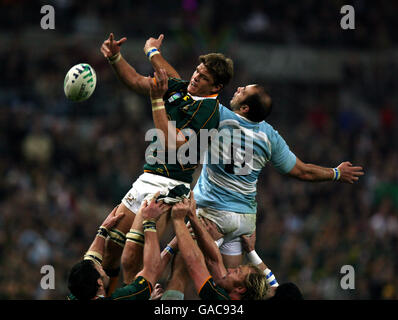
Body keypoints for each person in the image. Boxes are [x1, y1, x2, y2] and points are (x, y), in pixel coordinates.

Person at [143, 38, 365, 268]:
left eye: (242, 91)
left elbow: (183, 84)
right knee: (229, 283)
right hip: (244, 222)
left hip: (213, 211)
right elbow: (303, 171)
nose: (238, 88)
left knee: (180, 272)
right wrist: (336, 173)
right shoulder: (270, 136)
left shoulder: (217, 116)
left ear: (245, 107)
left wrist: (152, 52)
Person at [99, 33, 234, 288]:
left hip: (170, 186)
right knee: (111, 248)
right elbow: (137, 81)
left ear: (216, 88)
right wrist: (116, 57)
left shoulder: (208, 113)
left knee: (131, 259)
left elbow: (173, 143)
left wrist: (156, 100)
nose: (195, 77)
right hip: (146, 177)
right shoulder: (181, 87)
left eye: (203, 78)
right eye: (196, 71)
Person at [170, 193, 271, 300]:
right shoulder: (228, 292)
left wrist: (178, 220)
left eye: (236, 272)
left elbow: (194, 262)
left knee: (178, 275)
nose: (230, 269)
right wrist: (194, 219)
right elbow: (214, 261)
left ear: (240, 289)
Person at [67, 194, 168, 300]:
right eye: (100, 268)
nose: (101, 266)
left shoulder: (78, 293)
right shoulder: (121, 298)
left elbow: (90, 259)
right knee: (130, 259)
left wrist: (102, 230)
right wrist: (149, 222)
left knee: (121, 253)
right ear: (99, 283)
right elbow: (152, 269)